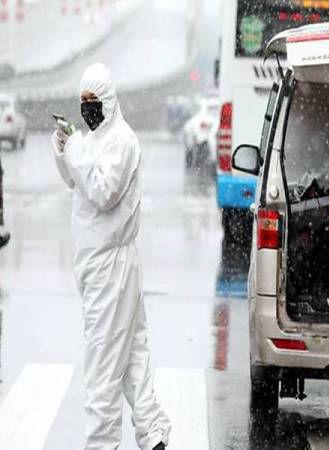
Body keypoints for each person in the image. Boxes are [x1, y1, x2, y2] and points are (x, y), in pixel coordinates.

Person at [51, 63, 170, 450]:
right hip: (101, 266)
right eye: (83, 101)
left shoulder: (121, 140)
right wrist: (64, 148)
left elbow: (102, 191)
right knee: (133, 356)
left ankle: (101, 444)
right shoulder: (93, 138)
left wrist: (75, 154)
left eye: (94, 101)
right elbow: (74, 179)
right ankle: (153, 434)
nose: (88, 108)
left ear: (109, 101)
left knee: (102, 365)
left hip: (110, 268)